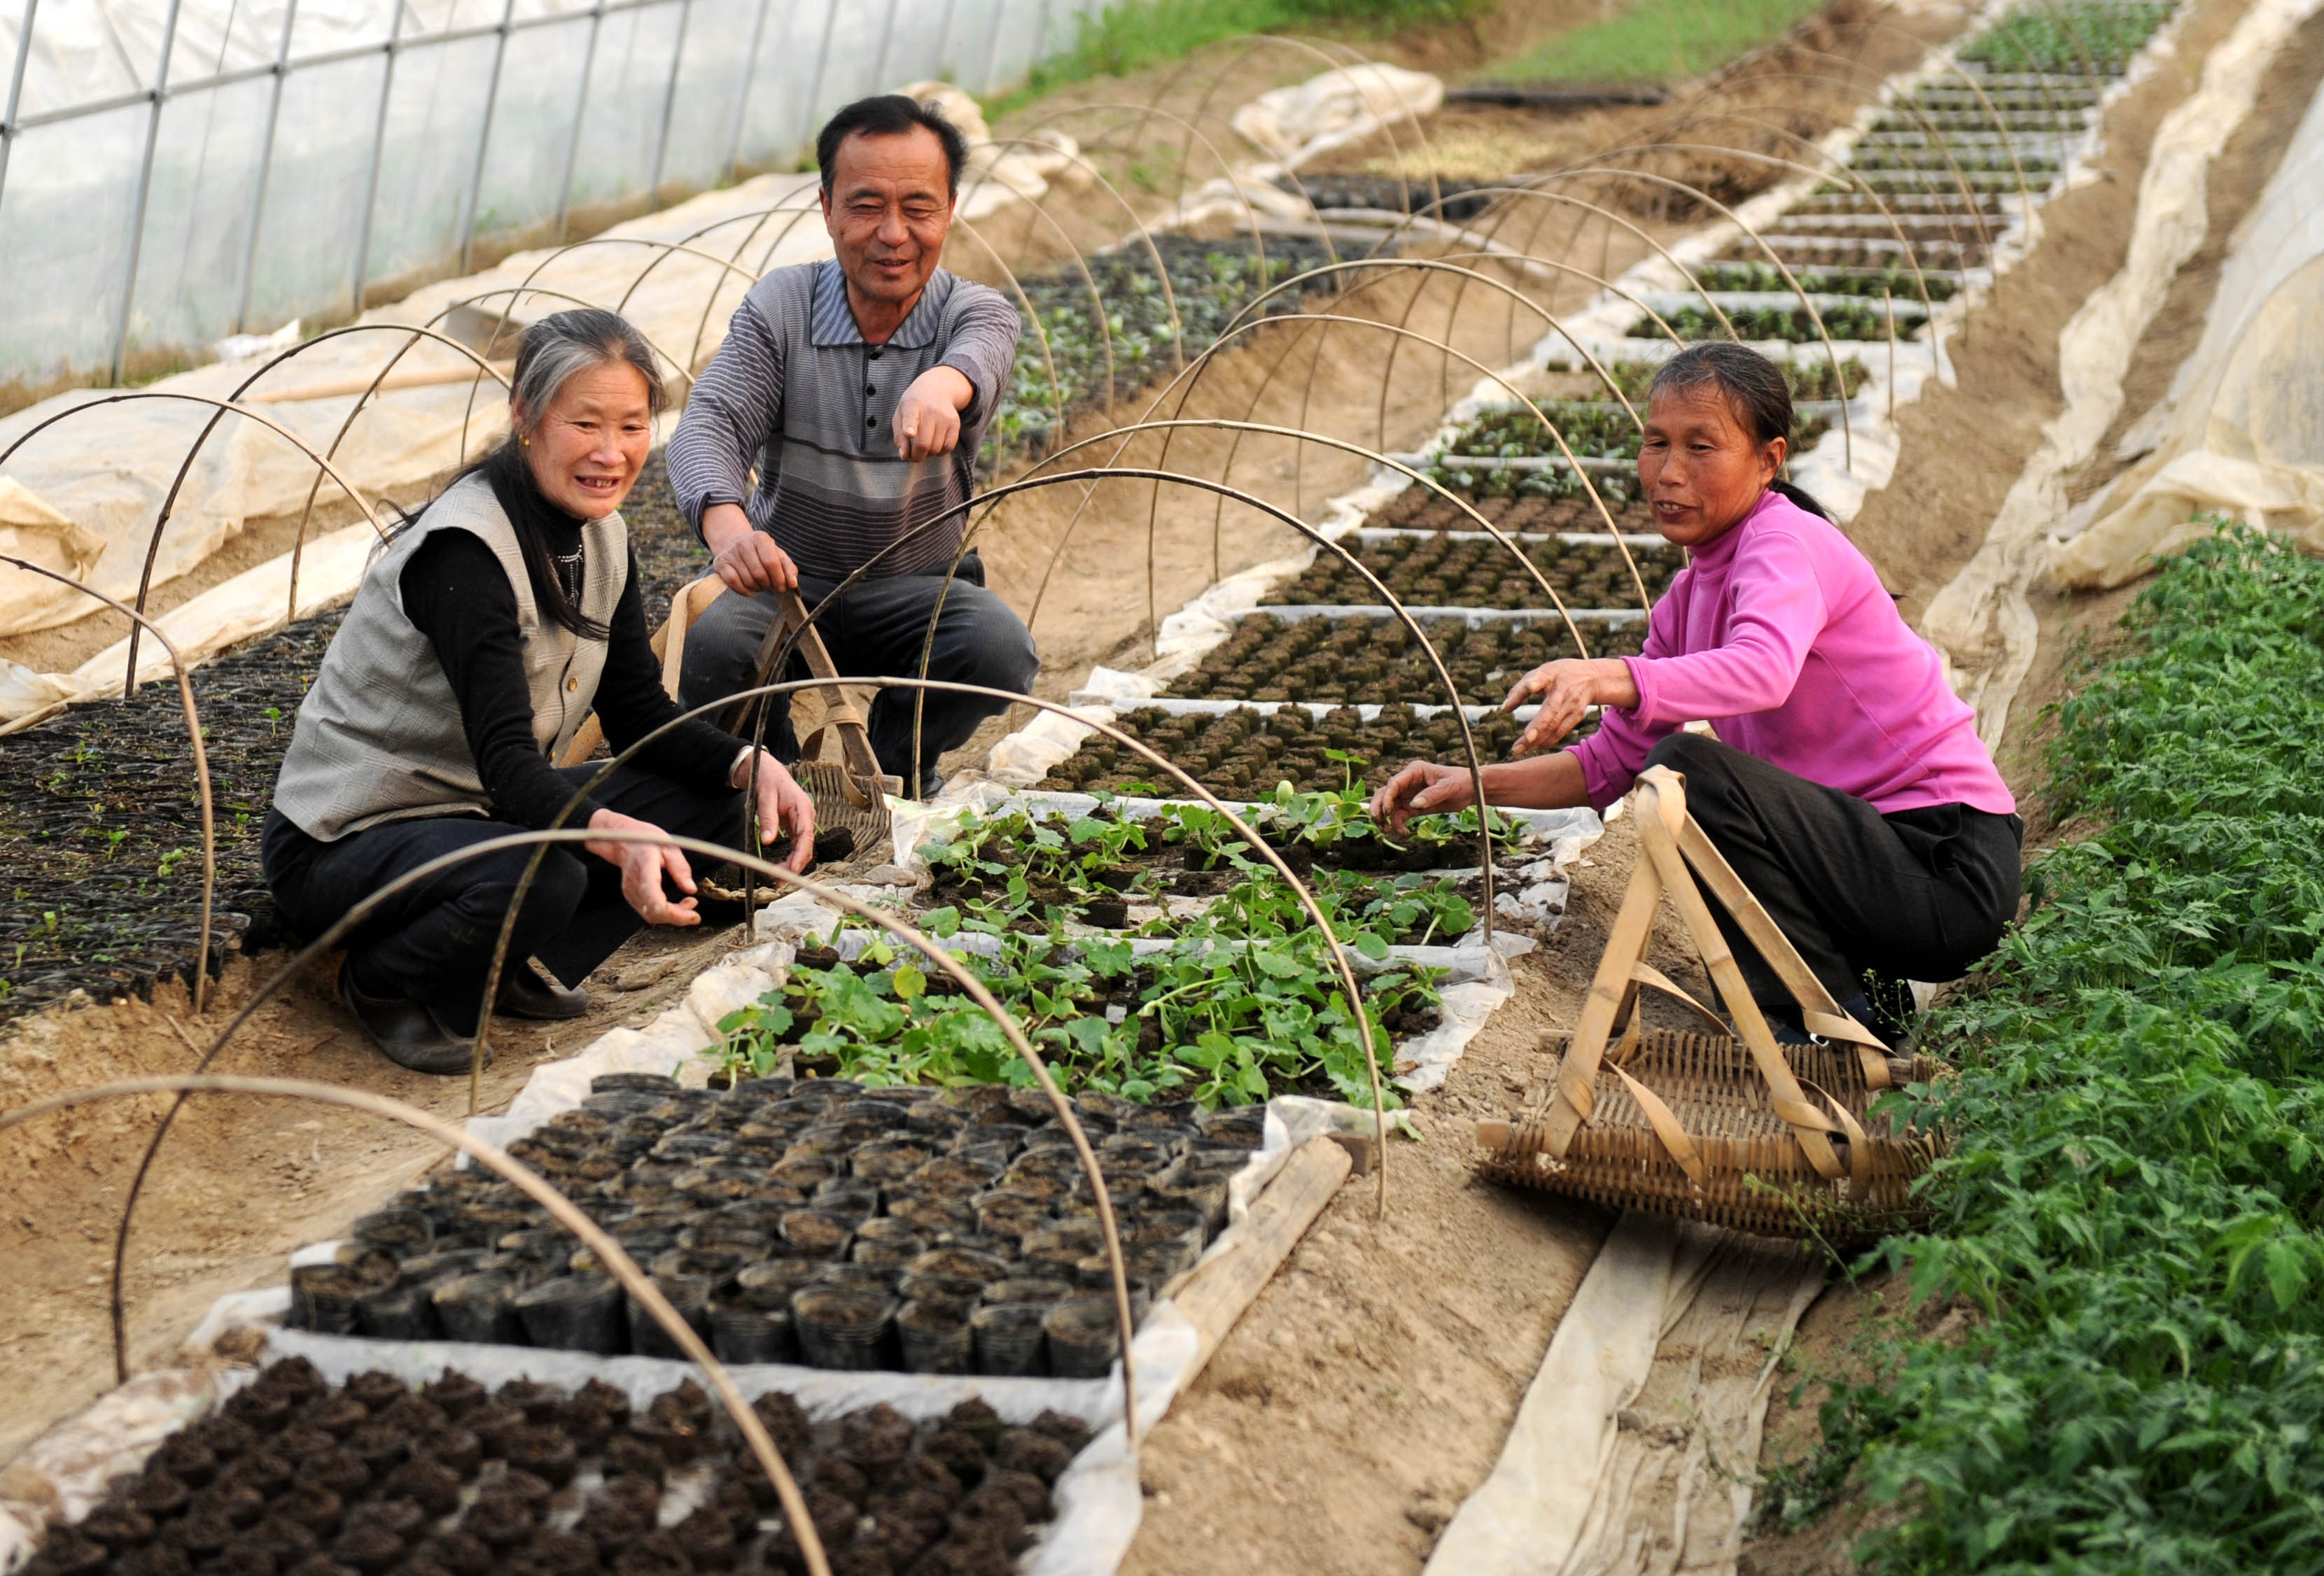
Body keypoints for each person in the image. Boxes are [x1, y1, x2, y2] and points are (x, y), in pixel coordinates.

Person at [1371, 342, 2021, 1041]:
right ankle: (1861, 999)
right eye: (1656, 443)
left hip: (1945, 865)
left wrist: (1602, 676)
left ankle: (1813, 1018)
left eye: (1699, 446)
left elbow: (1762, 669)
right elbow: (1607, 765)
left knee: (1687, 769)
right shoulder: (1686, 599)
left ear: (1767, 460)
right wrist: (1470, 784)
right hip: (1872, 873)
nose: (1668, 472)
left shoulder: (1781, 544)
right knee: (1673, 768)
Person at [265, 309, 816, 1075]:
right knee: (543, 871)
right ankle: (385, 982)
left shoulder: (602, 537)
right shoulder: (465, 552)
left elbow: (635, 710)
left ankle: (506, 955)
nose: (610, 452)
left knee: (707, 801)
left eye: (631, 426)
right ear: (525, 415)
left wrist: (747, 763)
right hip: (353, 836)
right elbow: (506, 763)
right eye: (584, 423)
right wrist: (611, 830)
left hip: (473, 811)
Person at [668, 93, 1038, 794]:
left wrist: (939, 386)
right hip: (789, 583)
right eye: (866, 205)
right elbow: (708, 424)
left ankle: (898, 761)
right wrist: (728, 530)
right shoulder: (783, 307)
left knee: (995, 647)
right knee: (715, 652)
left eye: (917, 207)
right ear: (827, 208)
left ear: (951, 208)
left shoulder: (974, 310)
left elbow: (979, 354)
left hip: (914, 587)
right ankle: (773, 780)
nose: (892, 232)